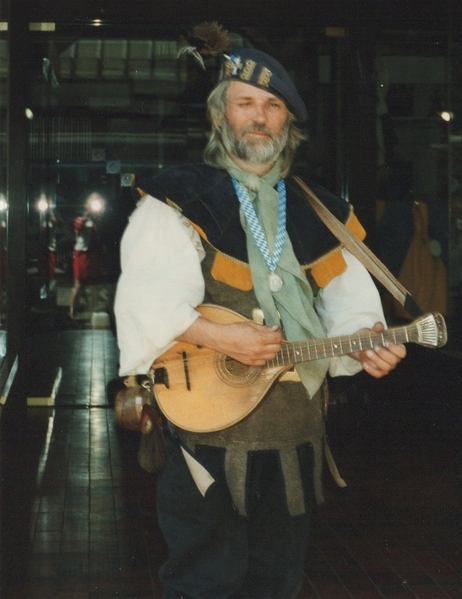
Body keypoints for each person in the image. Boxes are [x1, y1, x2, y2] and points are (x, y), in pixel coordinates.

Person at [114, 47, 406, 599]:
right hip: (203, 430)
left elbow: (353, 311)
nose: (258, 116)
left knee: (277, 583)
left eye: (273, 106)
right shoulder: (177, 199)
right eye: (244, 102)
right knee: (207, 581)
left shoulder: (322, 210)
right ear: (219, 115)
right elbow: (146, 303)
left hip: (294, 435)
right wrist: (219, 336)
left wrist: (370, 344)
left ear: (288, 122)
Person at [69, 192, 105, 318]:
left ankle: (93, 311)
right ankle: (72, 311)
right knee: (78, 284)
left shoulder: (98, 218)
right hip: (81, 253)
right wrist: (85, 218)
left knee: (95, 284)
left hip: (92, 253)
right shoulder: (82, 215)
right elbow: (77, 227)